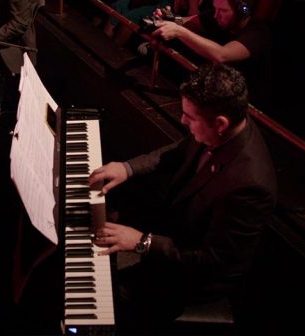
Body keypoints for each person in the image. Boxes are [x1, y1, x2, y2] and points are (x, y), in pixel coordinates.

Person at [88, 64, 276, 330]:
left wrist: (142, 242)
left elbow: (214, 261)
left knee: (107, 291)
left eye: (189, 116)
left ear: (220, 124)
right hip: (176, 229)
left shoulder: (250, 185)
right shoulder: (225, 126)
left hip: (195, 277)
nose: (183, 121)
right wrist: (127, 168)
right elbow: (179, 150)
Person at [154, 0, 272, 104]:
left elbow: (222, 55)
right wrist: (170, 18)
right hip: (219, 91)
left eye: (223, 10)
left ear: (242, 10)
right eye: (215, 9)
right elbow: (186, 21)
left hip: (244, 101)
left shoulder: (257, 33)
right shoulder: (216, 16)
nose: (216, 15)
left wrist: (179, 31)